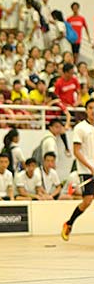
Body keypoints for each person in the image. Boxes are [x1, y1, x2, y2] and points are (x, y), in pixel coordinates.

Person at [62, 99, 94, 240]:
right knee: (87, 201)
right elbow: (76, 151)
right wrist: (90, 167)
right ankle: (69, 223)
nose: (93, 111)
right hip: (86, 170)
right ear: (86, 110)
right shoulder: (80, 128)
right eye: (91, 108)